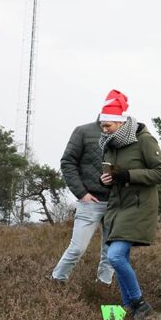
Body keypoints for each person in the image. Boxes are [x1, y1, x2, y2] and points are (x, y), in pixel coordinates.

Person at [98, 90, 161, 320]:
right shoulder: (109, 144)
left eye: (108, 125)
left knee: (116, 256)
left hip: (139, 206)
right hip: (116, 207)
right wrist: (107, 179)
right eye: (102, 126)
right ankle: (133, 307)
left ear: (121, 122)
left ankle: (139, 302)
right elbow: (114, 176)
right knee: (120, 258)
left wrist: (128, 175)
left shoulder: (144, 140)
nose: (104, 130)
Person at [50, 97, 115, 285]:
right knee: (77, 248)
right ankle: (56, 281)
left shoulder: (123, 135)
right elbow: (67, 162)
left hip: (116, 203)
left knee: (110, 251)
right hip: (90, 202)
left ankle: (103, 286)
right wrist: (81, 193)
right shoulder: (83, 131)